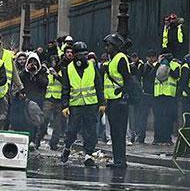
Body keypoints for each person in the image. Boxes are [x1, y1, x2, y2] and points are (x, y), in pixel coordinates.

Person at [60, 41, 106, 167]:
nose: (82, 57)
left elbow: (98, 85)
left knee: (90, 130)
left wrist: (102, 103)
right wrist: (65, 106)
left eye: (84, 55)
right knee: (72, 130)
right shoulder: (68, 69)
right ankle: (67, 147)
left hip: (91, 105)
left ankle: (88, 155)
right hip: (75, 105)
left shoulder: (92, 66)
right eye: (79, 55)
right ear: (74, 55)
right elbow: (65, 88)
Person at [102, 33, 133, 169]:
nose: (106, 47)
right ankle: (117, 159)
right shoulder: (113, 59)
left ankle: (121, 161)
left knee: (119, 132)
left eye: (108, 45)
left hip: (119, 101)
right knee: (115, 132)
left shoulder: (120, 59)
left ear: (114, 45)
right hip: (112, 101)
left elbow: (128, 79)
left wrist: (122, 93)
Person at [18, 51, 48, 148]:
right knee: (26, 121)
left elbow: (44, 83)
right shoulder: (24, 73)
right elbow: (20, 82)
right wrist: (27, 71)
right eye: (31, 62)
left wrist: (36, 73)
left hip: (38, 101)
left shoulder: (42, 72)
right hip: (26, 100)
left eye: (35, 62)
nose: (33, 65)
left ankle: (35, 141)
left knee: (36, 121)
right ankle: (27, 140)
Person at [153, 51, 180, 145]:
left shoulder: (175, 64)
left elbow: (176, 76)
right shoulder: (157, 64)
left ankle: (167, 138)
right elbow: (153, 75)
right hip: (158, 94)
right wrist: (159, 64)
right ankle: (157, 138)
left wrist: (167, 66)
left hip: (169, 95)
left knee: (169, 118)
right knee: (158, 117)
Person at [134, 50, 158, 144]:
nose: (152, 59)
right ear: (147, 57)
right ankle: (141, 137)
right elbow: (138, 79)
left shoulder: (158, 67)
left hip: (155, 95)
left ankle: (156, 138)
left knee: (157, 116)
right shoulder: (143, 67)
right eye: (150, 57)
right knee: (142, 117)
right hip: (145, 95)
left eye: (154, 57)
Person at [43, 54, 65, 150]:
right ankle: (37, 140)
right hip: (48, 98)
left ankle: (54, 143)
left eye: (55, 60)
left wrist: (56, 75)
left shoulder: (62, 71)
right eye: (52, 60)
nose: (53, 62)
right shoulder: (46, 71)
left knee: (57, 123)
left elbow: (65, 82)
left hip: (58, 99)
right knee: (43, 120)